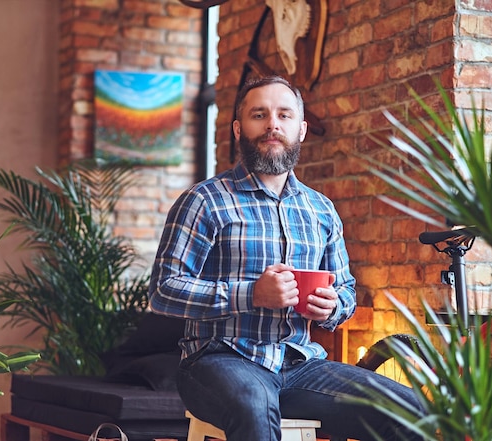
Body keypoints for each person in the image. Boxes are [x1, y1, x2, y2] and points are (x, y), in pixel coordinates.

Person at [148, 75, 424, 441]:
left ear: (302, 129)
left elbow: (344, 292)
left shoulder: (321, 210)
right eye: (259, 115)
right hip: (217, 360)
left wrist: (331, 307)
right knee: (255, 404)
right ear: (238, 128)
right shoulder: (203, 201)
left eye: (284, 115)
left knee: (410, 407)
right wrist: (251, 294)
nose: (273, 125)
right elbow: (163, 291)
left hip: (299, 366)